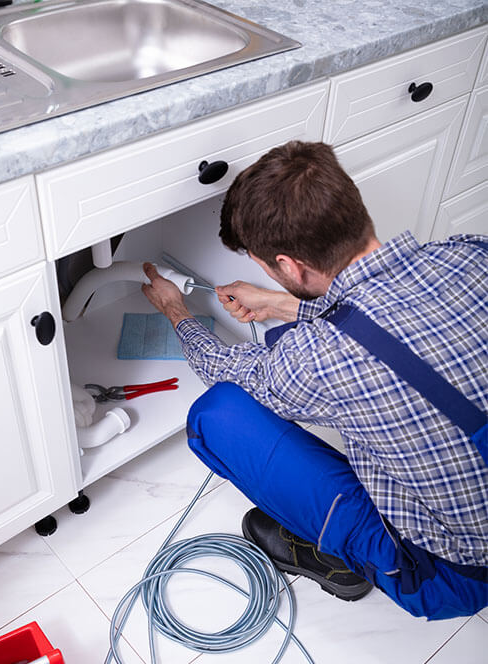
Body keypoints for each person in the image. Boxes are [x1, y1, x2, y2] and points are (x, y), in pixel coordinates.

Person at [141, 140, 488, 621]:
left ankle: (342, 560)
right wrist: (283, 303)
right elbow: (385, 326)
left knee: (216, 415)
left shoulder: (315, 360)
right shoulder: (468, 255)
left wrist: (174, 310)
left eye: (265, 265)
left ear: (288, 265)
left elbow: (221, 367)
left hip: (454, 574)